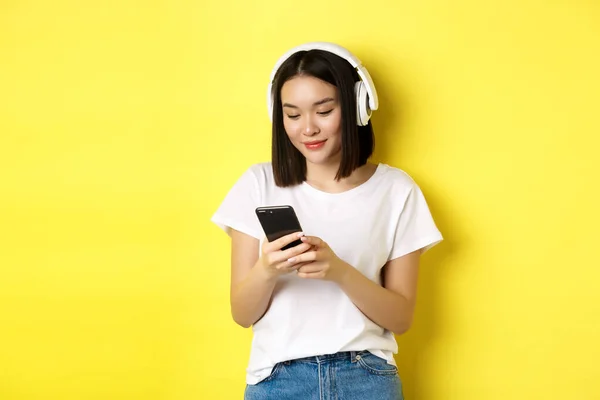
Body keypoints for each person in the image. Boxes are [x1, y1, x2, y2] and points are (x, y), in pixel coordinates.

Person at [211, 42, 443, 400]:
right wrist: (268, 269)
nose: (308, 129)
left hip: (367, 378)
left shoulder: (397, 190)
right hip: (278, 380)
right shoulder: (257, 184)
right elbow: (242, 314)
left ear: (358, 108)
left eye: (324, 110)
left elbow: (400, 319)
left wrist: (339, 271)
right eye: (292, 114)